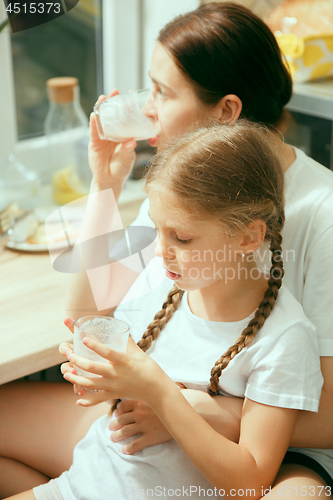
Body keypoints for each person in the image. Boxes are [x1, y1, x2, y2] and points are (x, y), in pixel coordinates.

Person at [0, 2, 333, 497]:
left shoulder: (322, 213)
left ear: (227, 111)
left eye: (162, 92)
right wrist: (104, 188)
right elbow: (89, 313)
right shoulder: (179, 195)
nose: (146, 107)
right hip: (154, 419)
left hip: (280, 448)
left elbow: (323, 416)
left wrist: (192, 411)